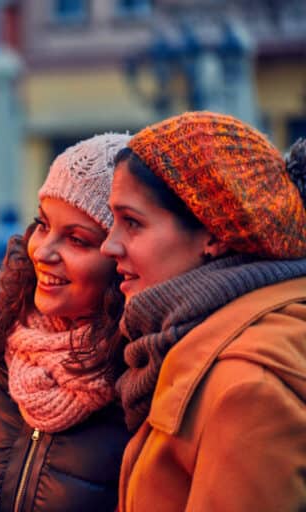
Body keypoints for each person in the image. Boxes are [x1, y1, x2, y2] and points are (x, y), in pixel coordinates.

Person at [101, 112, 306, 511]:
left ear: (213, 233)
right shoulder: (195, 340)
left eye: (132, 223)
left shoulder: (246, 387)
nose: (109, 245)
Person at [0, 134, 132, 512]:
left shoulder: (140, 377)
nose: (43, 252)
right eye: (43, 225)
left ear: (121, 258)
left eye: (77, 240)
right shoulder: (0, 341)